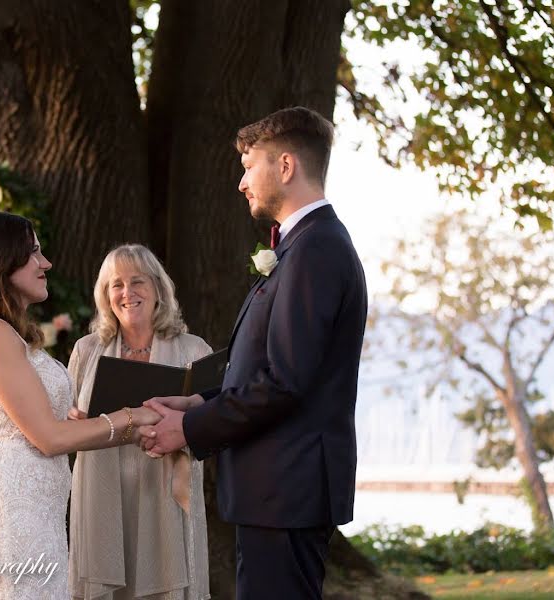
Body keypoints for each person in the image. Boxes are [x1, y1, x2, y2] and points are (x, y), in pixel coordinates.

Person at [140, 106, 368, 599]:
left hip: (286, 490)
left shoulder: (316, 250)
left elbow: (285, 383)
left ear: (285, 167)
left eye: (249, 166)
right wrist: (199, 402)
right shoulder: (301, 247)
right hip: (275, 490)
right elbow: (274, 368)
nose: (241, 183)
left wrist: (189, 429)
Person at [0, 213, 162, 600]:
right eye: (33, 253)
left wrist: (103, 426)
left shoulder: (4, 331)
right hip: (10, 515)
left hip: (35, 513)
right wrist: (132, 417)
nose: (45, 264)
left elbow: (47, 426)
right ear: (2, 259)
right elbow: (48, 438)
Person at [67, 244, 211, 600]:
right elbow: (67, 426)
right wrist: (76, 420)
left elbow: (213, 425)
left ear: (158, 289)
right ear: (105, 295)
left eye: (137, 282)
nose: (127, 293)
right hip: (103, 493)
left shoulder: (193, 351)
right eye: (116, 284)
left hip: (165, 491)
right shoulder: (86, 351)